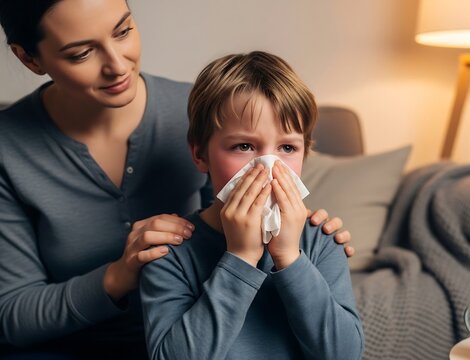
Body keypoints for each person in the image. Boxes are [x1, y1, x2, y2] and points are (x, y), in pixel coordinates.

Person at [0, 1, 353, 358]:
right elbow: (12, 315)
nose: (118, 65)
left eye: (123, 31)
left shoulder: (215, 107)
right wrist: (120, 274)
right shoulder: (8, 148)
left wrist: (308, 241)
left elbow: (231, 211)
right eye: (82, 53)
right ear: (30, 59)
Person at [140, 51, 364, 360]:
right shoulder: (172, 252)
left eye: (287, 147)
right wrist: (240, 257)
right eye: (243, 146)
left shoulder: (320, 239)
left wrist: (290, 257)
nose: (268, 166)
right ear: (200, 154)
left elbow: (343, 354)